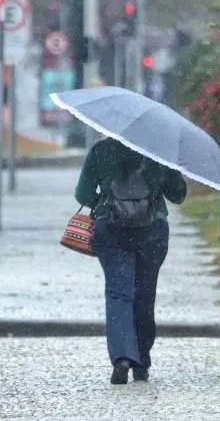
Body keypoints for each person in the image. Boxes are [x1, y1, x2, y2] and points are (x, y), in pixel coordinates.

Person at [74, 137, 186, 384]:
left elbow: (82, 194)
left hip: (110, 230)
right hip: (152, 231)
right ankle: (142, 362)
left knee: (118, 293)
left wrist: (104, 204)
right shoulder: (158, 149)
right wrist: (171, 167)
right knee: (145, 295)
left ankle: (122, 357)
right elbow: (178, 195)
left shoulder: (100, 150)